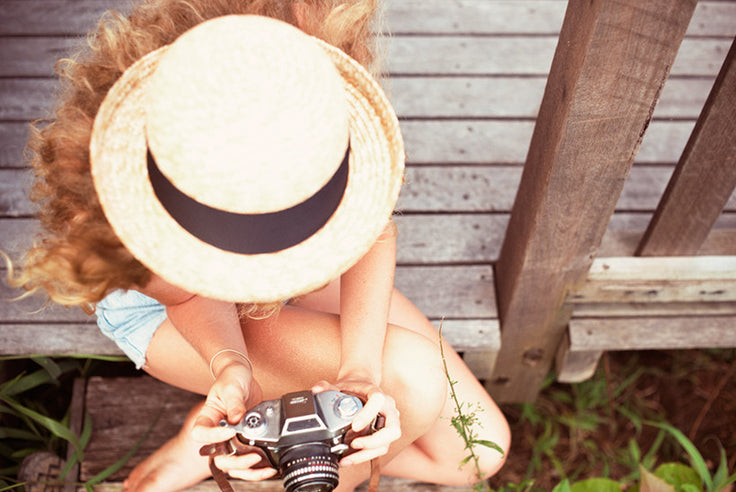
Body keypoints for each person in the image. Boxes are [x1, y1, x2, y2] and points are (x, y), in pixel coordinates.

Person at [10, 0, 510, 490]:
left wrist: (358, 374)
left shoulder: (298, 70)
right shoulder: (135, 208)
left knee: (479, 451)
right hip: (171, 310)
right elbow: (186, 293)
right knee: (415, 379)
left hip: (284, 244)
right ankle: (260, 459)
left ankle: (227, 440)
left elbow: (372, 230)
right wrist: (232, 367)